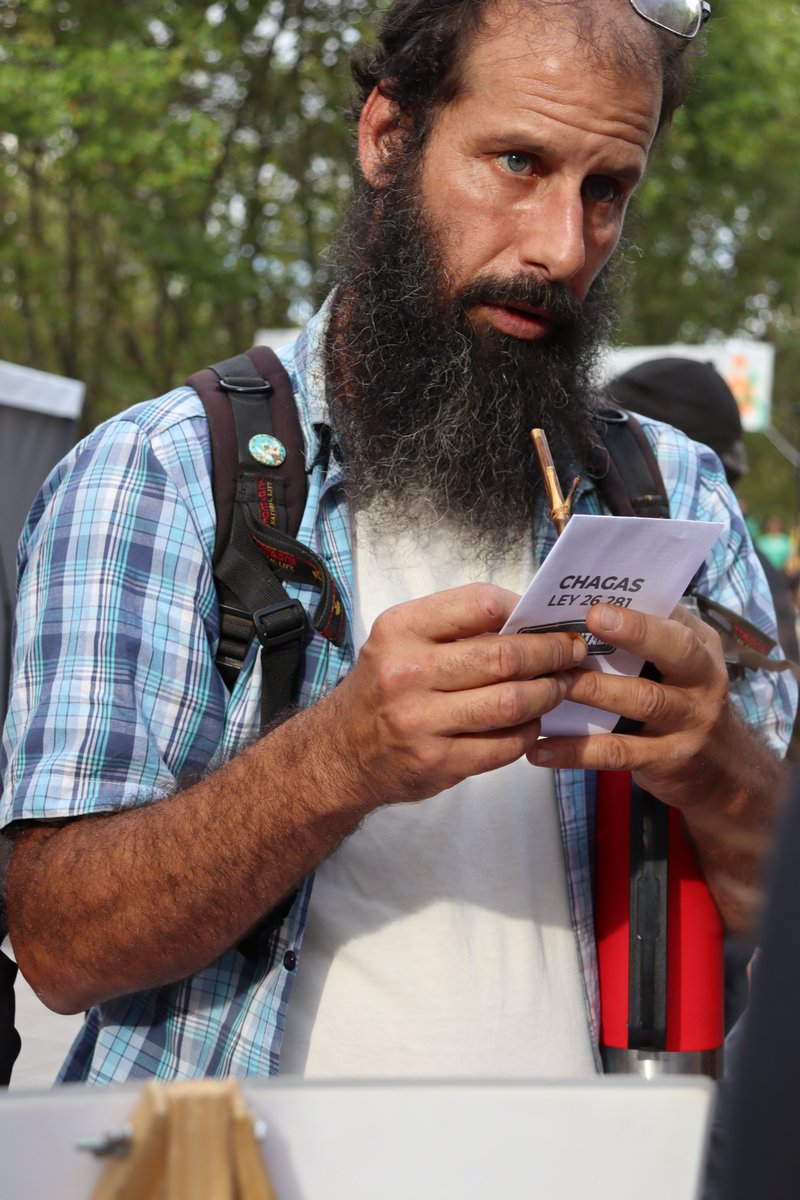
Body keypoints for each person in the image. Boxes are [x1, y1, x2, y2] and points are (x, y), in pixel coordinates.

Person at [0, 0, 795, 1087]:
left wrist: (720, 771)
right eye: (517, 161)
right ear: (387, 137)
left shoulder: (672, 489)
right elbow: (61, 944)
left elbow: (770, 910)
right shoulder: (160, 475)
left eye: (605, 190)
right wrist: (340, 758)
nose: (562, 246)